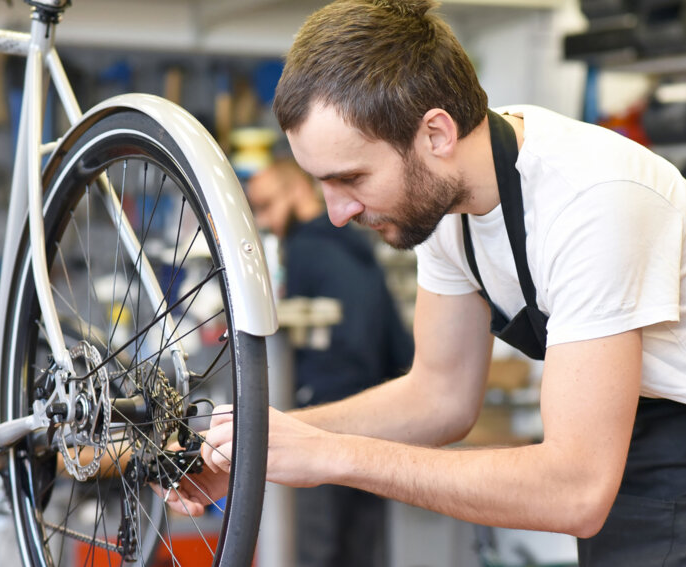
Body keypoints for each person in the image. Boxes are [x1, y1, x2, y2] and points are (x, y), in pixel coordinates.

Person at [166, 1, 686, 565]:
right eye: (322, 183)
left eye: (351, 178)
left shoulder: (590, 201)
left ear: (436, 133)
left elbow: (574, 489)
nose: (335, 213)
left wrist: (334, 457)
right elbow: (438, 396)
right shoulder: (446, 204)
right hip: (633, 450)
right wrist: (254, 446)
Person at [246, 158, 414, 567]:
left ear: (299, 192)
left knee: (314, 552)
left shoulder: (303, 249)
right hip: (375, 426)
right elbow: (402, 348)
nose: (264, 221)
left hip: (317, 422)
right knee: (365, 554)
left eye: (267, 205)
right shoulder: (362, 251)